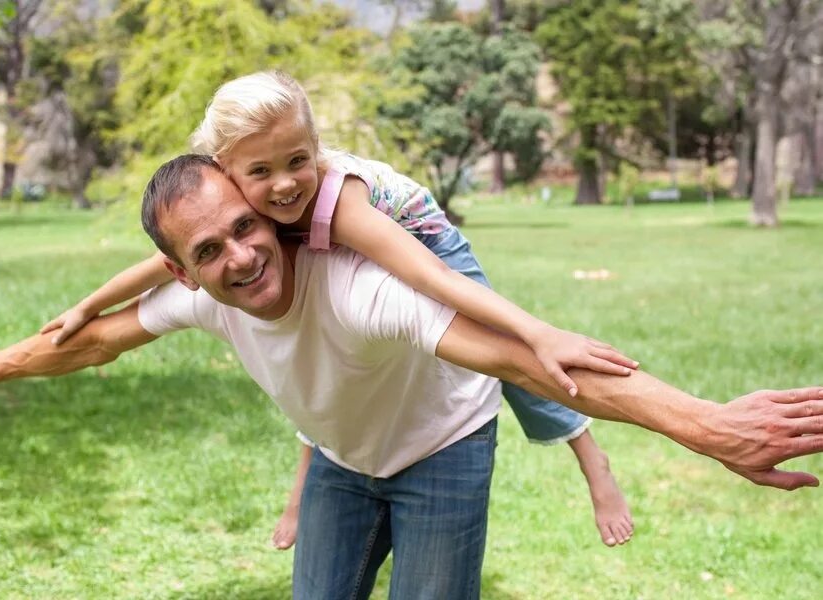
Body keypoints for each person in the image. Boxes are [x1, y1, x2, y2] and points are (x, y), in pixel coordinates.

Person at [0, 156, 822, 600]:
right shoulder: (204, 301)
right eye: (208, 251)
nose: (242, 256)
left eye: (247, 225)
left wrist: (701, 424)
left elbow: (524, 358)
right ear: (180, 273)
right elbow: (91, 342)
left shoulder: (355, 287)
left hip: (443, 451)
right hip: (344, 462)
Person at [40, 70, 636, 548]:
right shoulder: (243, 214)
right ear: (226, 172)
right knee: (315, 349)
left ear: (315, 147)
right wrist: (87, 304)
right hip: (361, 266)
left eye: (298, 160)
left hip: (426, 245)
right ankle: (305, 490)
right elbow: (163, 262)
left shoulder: (337, 203)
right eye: (261, 171)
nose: (284, 184)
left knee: (509, 359)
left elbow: (424, 272)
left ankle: (591, 458)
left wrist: (540, 331)